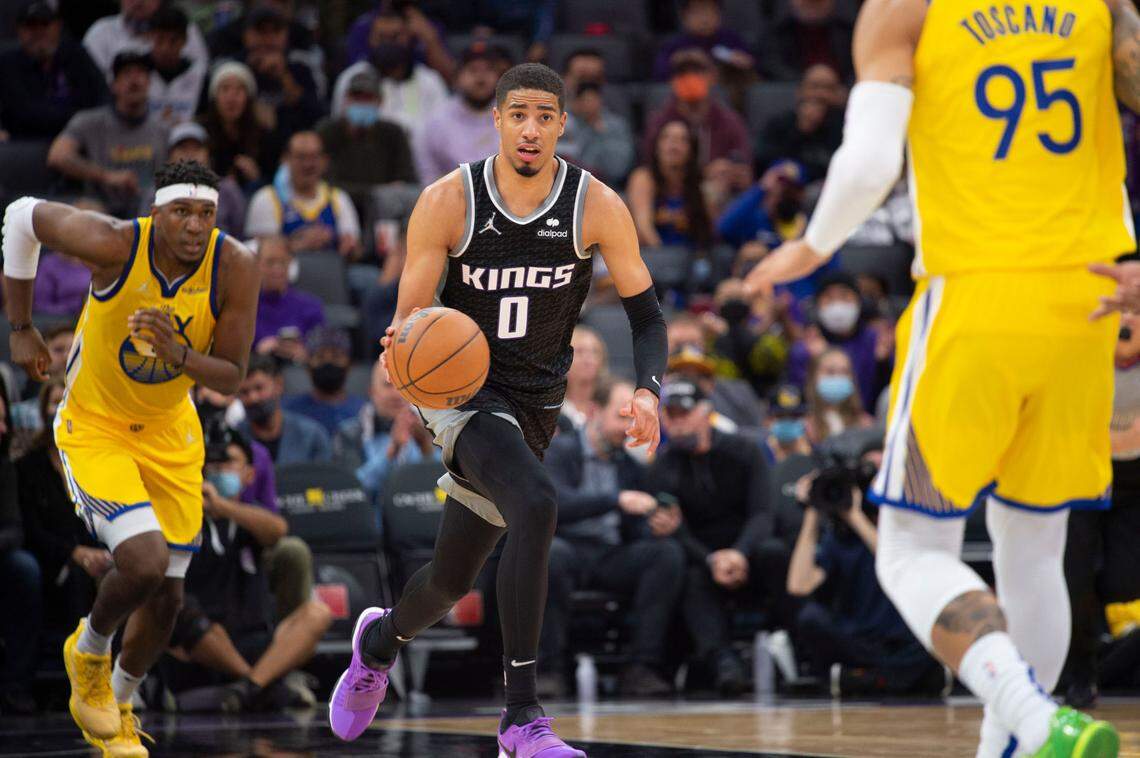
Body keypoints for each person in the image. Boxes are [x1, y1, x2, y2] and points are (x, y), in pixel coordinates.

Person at [745, 0, 1140, 751]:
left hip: (976, 294)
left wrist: (813, 247)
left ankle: (1029, 716)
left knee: (909, 546)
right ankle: (1015, 745)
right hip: (1086, 302)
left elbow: (868, 163)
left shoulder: (905, 10)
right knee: (1035, 549)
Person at [328, 63, 667, 758]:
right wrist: (402, 343)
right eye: (519, 114)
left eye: (546, 115)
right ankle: (521, 716)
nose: (532, 129)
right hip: (456, 392)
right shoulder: (449, 200)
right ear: (497, 120)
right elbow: (411, 317)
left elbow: (647, 314)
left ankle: (378, 640)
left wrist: (647, 389)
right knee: (537, 503)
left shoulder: (595, 203)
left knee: (449, 581)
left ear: (563, 124)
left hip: (536, 402)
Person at [2, 160, 259, 754]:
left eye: (205, 214)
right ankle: (88, 651)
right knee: (142, 563)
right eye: (180, 212)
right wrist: (20, 325)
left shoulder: (235, 266)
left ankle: (119, 702)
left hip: (170, 432)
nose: (194, 226)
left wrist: (177, 353)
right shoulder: (115, 243)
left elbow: (234, 376)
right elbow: (19, 216)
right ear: (155, 211)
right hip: (97, 427)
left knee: (168, 597)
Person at [169, 423, 331, 711]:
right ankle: (259, 685)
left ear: (249, 475)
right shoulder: (185, 516)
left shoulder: (247, 519)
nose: (219, 471)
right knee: (196, 625)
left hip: (252, 638)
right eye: (212, 464)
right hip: (203, 639)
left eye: (228, 462)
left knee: (317, 614)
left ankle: (246, 689)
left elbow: (277, 530)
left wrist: (224, 507)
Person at [645, 378, 788, 695]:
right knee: (684, 568)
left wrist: (739, 552)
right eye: (671, 414)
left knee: (775, 552)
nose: (678, 421)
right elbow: (672, 528)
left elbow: (763, 513)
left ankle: (792, 645)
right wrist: (710, 559)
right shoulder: (663, 465)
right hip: (701, 557)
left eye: (685, 412)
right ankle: (722, 660)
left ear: (705, 413)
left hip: (748, 550)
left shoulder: (744, 451)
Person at [542, 380, 685, 697]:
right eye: (623, 417)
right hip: (567, 547)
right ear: (595, 411)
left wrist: (657, 525)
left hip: (608, 554)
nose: (629, 428)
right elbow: (555, 506)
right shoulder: (561, 451)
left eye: (635, 420)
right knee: (551, 555)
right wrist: (615, 499)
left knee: (666, 554)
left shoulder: (629, 465)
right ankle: (549, 668)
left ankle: (641, 667)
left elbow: (634, 528)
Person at [786, 449, 942, 696]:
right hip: (860, 640)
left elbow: (895, 561)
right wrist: (813, 511)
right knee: (810, 618)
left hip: (905, 639)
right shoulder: (840, 536)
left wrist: (857, 517)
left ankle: (867, 678)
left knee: (936, 630)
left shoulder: (910, 522)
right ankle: (894, 678)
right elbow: (799, 585)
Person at [1062, 312, 1140, 707]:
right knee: (1075, 581)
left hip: (1134, 483)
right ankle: (1080, 676)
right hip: (1082, 479)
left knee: (1123, 581)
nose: (1126, 322)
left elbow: (1128, 440)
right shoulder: (1079, 362)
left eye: (1136, 314)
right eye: (1119, 314)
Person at [17, 380, 108, 662]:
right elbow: (30, 529)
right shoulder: (28, 466)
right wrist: (73, 553)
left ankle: (125, 676)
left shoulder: (98, 465)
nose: (61, 410)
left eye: (70, 402)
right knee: (77, 580)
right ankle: (81, 671)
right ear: (43, 410)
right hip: (52, 560)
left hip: (97, 559)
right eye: (55, 402)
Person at [47, 50, 168, 219]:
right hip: (101, 207)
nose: (134, 80)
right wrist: (106, 176)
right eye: (126, 74)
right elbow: (57, 155)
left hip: (149, 208)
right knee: (84, 211)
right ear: (114, 85)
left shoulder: (164, 129)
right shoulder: (89, 122)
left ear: (149, 83)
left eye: (141, 74)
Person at [0, 0, 107, 142]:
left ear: (57, 27)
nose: (38, 32)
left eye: (45, 24)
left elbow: (102, 98)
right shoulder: (7, 64)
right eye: (31, 26)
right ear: (19, 31)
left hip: (80, 140)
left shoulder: (76, 56)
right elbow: (24, 113)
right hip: (25, 144)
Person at [245, 131, 363, 258]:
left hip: (332, 272)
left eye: (314, 157)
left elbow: (356, 252)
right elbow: (257, 255)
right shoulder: (266, 199)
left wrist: (349, 247)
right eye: (301, 157)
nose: (308, 165)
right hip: (285, 275)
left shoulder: (339, 198)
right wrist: (296, 245)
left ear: (325, 161)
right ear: (286, 159)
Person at [642, 49, 752, 182]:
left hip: (721, 193)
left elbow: (746, 172)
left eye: (697, 72)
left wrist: (730, 170)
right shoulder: (660, 122)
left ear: (712, 77)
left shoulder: (729, 122)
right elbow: (649, 168)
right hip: (673, 193)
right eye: (683, 73)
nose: (690, 78)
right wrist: (703, 173)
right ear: (673, 81)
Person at [333, 360, 436, 502]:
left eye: (402, 386)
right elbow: (350, 491)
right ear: (372, 392)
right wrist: (392, 450)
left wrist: (425, 447)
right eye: (388, 385)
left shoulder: (429, 430)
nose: (397, 394)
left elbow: (445, 489)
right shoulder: (349, 433)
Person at [0, 378, 43, 715]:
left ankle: (17, 685)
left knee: (24, 568)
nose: (2, 429)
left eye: (5, 420)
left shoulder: (4, 467)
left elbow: (14, 529)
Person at [787, 271, 891, 410]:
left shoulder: (875, 341)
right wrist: (817, 363)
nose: (837, 305)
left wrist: (882, 364)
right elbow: (797, 401)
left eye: (844, 296)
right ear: (817, 306)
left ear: (859, 302)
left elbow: (885, 396)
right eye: (829, 298)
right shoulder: (806, 347)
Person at [413, 42, 508, 184]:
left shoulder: (514, 118)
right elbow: (428, 176)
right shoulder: (436, 121)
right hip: (449, 200)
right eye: (472, 70)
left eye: (489, 70)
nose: (481, 78)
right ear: (457, 78)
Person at [318, 64, 419, 196]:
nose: (362, 103)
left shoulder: (394, 134)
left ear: (380, 101)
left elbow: (407, 182)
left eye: (368, 98)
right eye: (357, 98)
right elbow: (324, 184)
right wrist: (376, 192)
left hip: (383, 211)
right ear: (346, 100)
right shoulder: (326, 133)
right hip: (338, 206)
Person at [357, 2, 450, 135]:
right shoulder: (354, 78)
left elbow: (443, 134)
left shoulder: (430, 81)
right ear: (371, 39)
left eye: (395, 37)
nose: (388, 44)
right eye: (382, 37)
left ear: (409, 37)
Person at [236, 4, 325, 136]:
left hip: (293, 146)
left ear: (286, 35)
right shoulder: (233, 67)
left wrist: (284, 76)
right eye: (261, 31)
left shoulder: (300, 65)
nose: (268, 39)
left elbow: (318, 115)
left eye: (276, 31)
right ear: (247, 35)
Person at [627, 120, 713, 251]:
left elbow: (709, 229)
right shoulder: (644, 178)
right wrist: (664, 256)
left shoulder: (700, 184)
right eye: (667, 138)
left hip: (691, 256)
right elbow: (644, 227)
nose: (673, 145)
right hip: (652, 255)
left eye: (682, 140)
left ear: (691, 150)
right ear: (657, 147)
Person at [198, 61, 284, 192]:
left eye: (239, 90)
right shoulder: (200, 133)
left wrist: (256, 177)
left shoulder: (265, 136)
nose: (232, 97)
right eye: (225, 89)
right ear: (214, 97)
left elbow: (277, 184)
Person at [82, 0, 209, 85]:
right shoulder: (100, 33)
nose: (139, 1)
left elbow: (201, 74)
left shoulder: (185, 30)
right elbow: (89, 85)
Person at [755, 64, 845, 182]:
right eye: (814, 86)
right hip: (781, 184)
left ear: (840, 95)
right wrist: (801, 131)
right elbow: (761, 160)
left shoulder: (848, 128)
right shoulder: (780, 123)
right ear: (800, 91)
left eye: (828, 88)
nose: (820, 94)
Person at [237, 354, 331, 465]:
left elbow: (324, 479)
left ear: (278, 384)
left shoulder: (311, 436)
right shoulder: (236, 439)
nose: (253, 398)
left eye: (259, 388)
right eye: (244, 392)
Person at [166, 122, 247, 237]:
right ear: (170, 156)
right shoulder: (157, 193)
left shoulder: (228, 191)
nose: (190, 154)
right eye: (183, 148)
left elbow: (241, 239)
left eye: (197, 148)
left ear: (208, 154)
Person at [252, 234, 326, 359]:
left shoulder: (311, 306)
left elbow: (321, 353)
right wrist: (257, 350)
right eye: (270, 262)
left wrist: (305, 353)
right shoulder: (244, 307)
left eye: (283, 262)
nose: (277, 269)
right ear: (257, 263)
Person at [283, 327, 366, 437]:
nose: (328, 362)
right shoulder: (289, 411)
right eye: (320, 357)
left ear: (349, 365)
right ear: (308, 366)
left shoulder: (363, 412)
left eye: (336, 357)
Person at [345, 0, 455, 82]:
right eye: (382, 37)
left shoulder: (429, 27)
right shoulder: (363, 26)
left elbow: (451, 79)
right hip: (374, 89)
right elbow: (356, 76)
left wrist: (430, 40)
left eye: (395, 37)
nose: (389, 42)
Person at [653, 0, 757, 84]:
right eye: (697, 12)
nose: (704, 19)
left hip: (728, 97)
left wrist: (743, 64)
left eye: (709, 12)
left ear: (720, 15)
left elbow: (758, 70)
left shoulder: (732, 40)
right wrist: (681, 59)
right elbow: (659, 75)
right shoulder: (674, 45)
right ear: (684, 17)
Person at [757, 0, 854, 83]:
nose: (811, 3)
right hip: (793, 95)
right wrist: (807, 82)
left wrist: (838, 86)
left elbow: (858, 69)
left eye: (817, 1)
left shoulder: (849, 32)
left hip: (841, 94)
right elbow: (770, 66)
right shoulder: (778, 33)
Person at [144, 4, 205, 128]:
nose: (165, 48)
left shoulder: (200, 76)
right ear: (149, 36)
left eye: (173, 41)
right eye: (160, 40)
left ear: (185, 41)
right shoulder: (136, 72)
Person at [803, 347, 873, 446]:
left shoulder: (866, 425)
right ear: (813, 377)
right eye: (830, 372)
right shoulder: (804, 428)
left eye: (845, 372)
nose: (838, 377)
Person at [560, 325, 609, 430]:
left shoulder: (610, 402)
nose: (588, 359)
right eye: (580, 352)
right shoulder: (552, 406)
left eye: (595, 352)